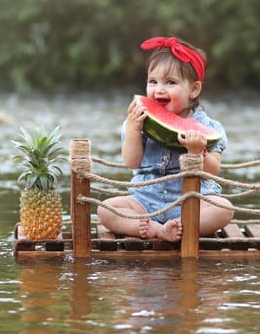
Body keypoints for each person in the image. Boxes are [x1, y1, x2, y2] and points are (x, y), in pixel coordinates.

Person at [97, 36, 235, 242]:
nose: (159, 89)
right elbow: (131, 162)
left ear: (194, 90)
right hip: (145, 201)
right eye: (153, 82)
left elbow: (213, 170)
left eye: (170, 82)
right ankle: (155, 229)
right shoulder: (139, 121)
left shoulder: (209, 128)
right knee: (105, 209)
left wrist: (197, 153)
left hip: (192, 201)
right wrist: (134, 130)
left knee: (224, 208)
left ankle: (180, 225)